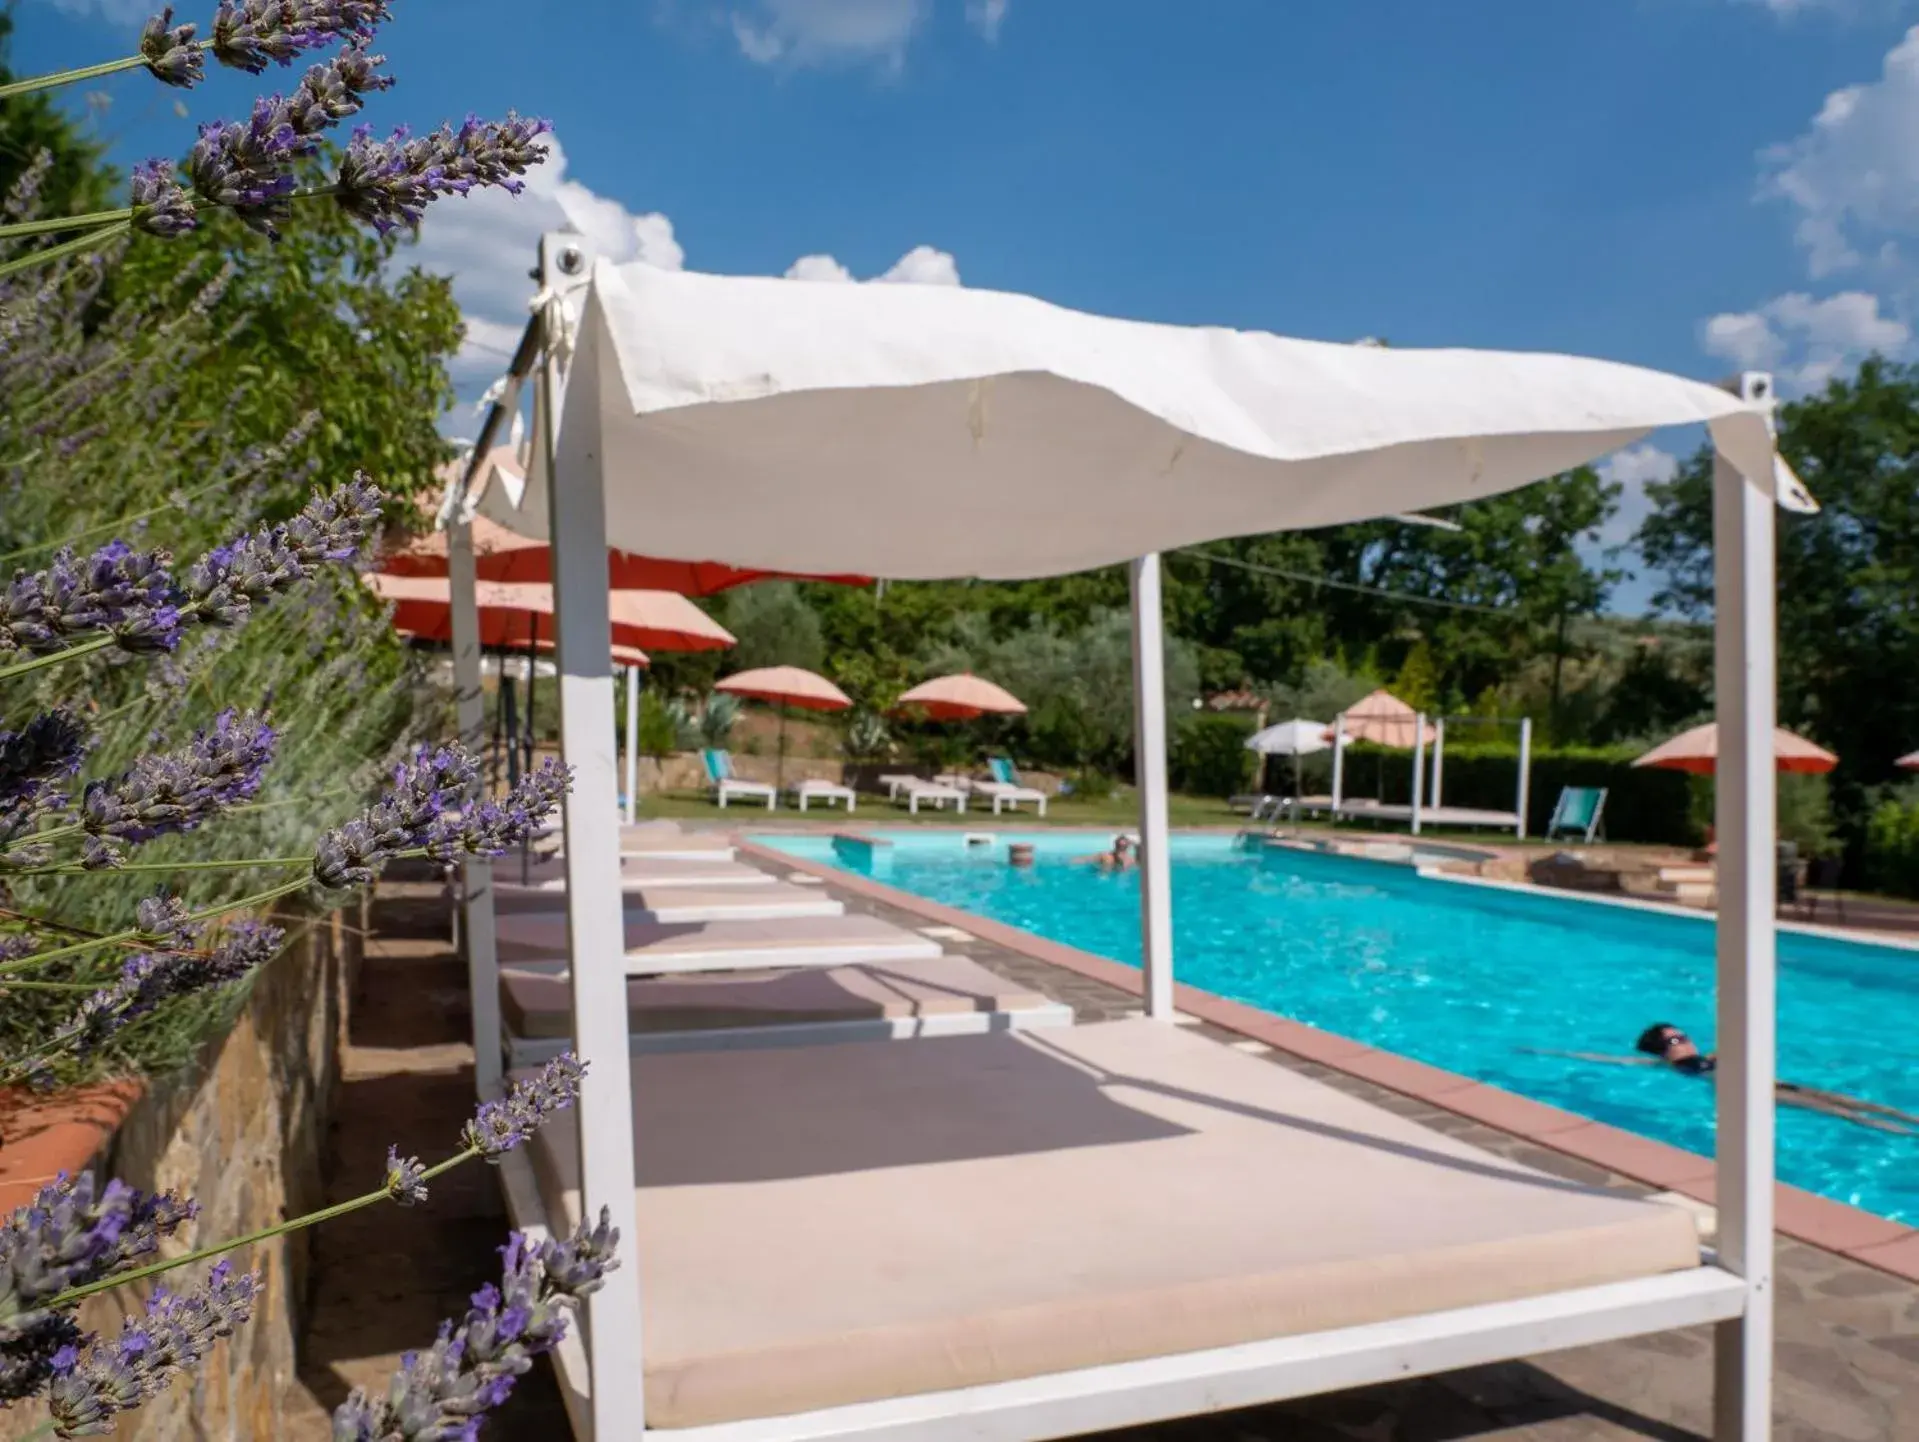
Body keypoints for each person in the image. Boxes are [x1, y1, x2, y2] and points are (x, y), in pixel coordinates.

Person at [1535, 1023, 1919, 1135]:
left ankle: (1911, 1121)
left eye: (1683, 1035)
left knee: (1857, 1102)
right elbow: (1613, 1060)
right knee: (1841, 1114)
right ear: (1661, 1051)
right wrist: (1554, 1053)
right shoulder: (1667, 1067)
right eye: (1673, 1040)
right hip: (1747, 1088)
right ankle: (1908, 1134)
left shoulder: (1703, 1057)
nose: (1683, 1041)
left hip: (1768, 1080)